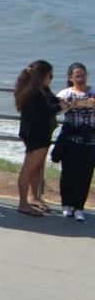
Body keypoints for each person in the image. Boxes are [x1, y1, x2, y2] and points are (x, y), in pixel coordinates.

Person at [15, 59, 65, 216]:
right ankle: (23, 204)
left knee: (37, 167)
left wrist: (63, 102)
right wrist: (60, 107)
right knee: (28, 169)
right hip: (34, 135)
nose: (51, 78)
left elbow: (51, 101)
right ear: (42, 75)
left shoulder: (42, 89)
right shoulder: (33, 92)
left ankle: (34, 197)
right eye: (50, 75)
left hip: (42, 133)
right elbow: (41, 113)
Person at [55, 62, 95, 221]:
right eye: (77, 76)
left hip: (91, 140)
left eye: (83, 75)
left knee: (85, 175)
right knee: (68, 172)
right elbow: (57, 109)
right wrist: (76, 104)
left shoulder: (93, 92)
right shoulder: (65, 93)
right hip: (71, 139)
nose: (80, 78)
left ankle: (79, 207)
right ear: (70, 78)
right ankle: (66, 205)